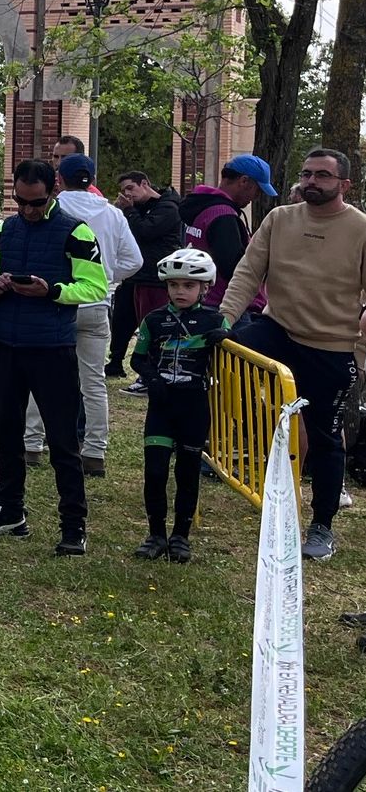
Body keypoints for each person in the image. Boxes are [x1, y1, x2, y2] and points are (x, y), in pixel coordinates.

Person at [218, 148, 366, 561]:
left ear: (344, 184)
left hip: (332, 345)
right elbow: (248, 272)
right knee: (224, 350)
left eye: (322, 175)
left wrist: (360, 353)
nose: (311, 181)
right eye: (306, 174)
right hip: (277, 329)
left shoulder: (360, 228)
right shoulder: (279, 218)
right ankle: (231, 447)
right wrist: (224, 320)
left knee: (324, 436)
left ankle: (322, 525)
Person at [0, 159, 107, 556]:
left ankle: (73, 526)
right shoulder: (2, 232)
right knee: (7, 435)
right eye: (21, 201)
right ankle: (12, 512)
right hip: (6, 347)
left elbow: (93, 286)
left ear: (55, 192)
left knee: (63, 441)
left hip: (52, 349)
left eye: (37, 203)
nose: (28, 210)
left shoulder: (76, 232)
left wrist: (52, 291)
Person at [24, 154, 141, 478]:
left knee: (40, 376)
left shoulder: (53, 209)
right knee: (93, 382)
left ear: (59, 179)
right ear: (92, 177)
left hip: (55, 300)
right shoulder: (113, 214)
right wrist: (106, 277)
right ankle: (94, 452)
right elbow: (134, 260)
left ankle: (32, 444)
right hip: (95, 305)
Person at [130, 248, 226, 563]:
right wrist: (152, 379)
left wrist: (225, 338)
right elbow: (138, 357)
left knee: (187, 473)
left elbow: (234, 354)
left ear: (204, 288)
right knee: (155, 471)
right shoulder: (154, 320)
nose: (180, 291)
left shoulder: (214, 319)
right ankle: (156, 534)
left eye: (188, 286)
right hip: (162, 405)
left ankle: (181, 537)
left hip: (194, 405)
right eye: (174, 285)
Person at [109, 170, 184, 391]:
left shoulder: (168, 207)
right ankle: (118, 362)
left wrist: (129, 212)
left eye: (130, 188)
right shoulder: (139, 209)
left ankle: (153, 374)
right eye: (123, 191)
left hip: (156, 279)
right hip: (138, 278)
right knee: (126, 322)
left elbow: (145, 231)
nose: (127, 195)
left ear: (145, 183)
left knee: (154, 328)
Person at [178, 153, 274, 310]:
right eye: (258, 190)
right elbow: (234, 268)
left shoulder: (202, 208)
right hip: (224, 304)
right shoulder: (223, 216)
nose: (256, 197)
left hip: (203, 299)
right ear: (244, 181)